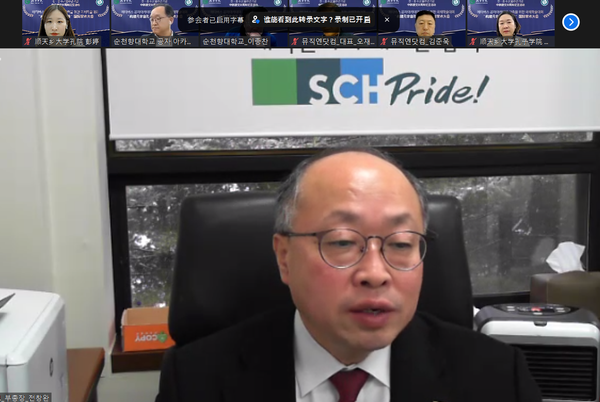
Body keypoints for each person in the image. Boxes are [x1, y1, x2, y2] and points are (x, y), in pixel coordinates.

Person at [155, 147, 543, 402]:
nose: (375, 274)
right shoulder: (196, 382)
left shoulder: (496, 378)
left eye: (401, 244)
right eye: (342, 242)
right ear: (284, 257)